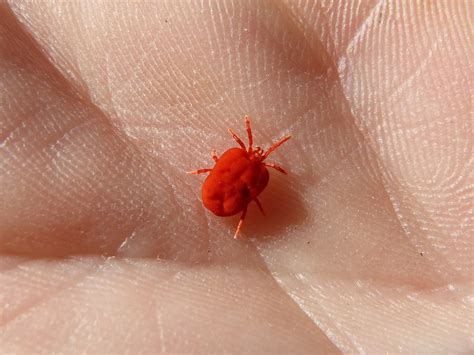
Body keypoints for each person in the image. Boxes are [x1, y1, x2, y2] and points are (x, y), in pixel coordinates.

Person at [1, 1, 472, 353]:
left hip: (224, 198)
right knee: (230, 190)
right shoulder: (259, 172)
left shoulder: (246, 163)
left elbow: (234, 176)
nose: (258, 152)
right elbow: (243, 186)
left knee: (227, 183)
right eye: (258, 150)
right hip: (227, 201)